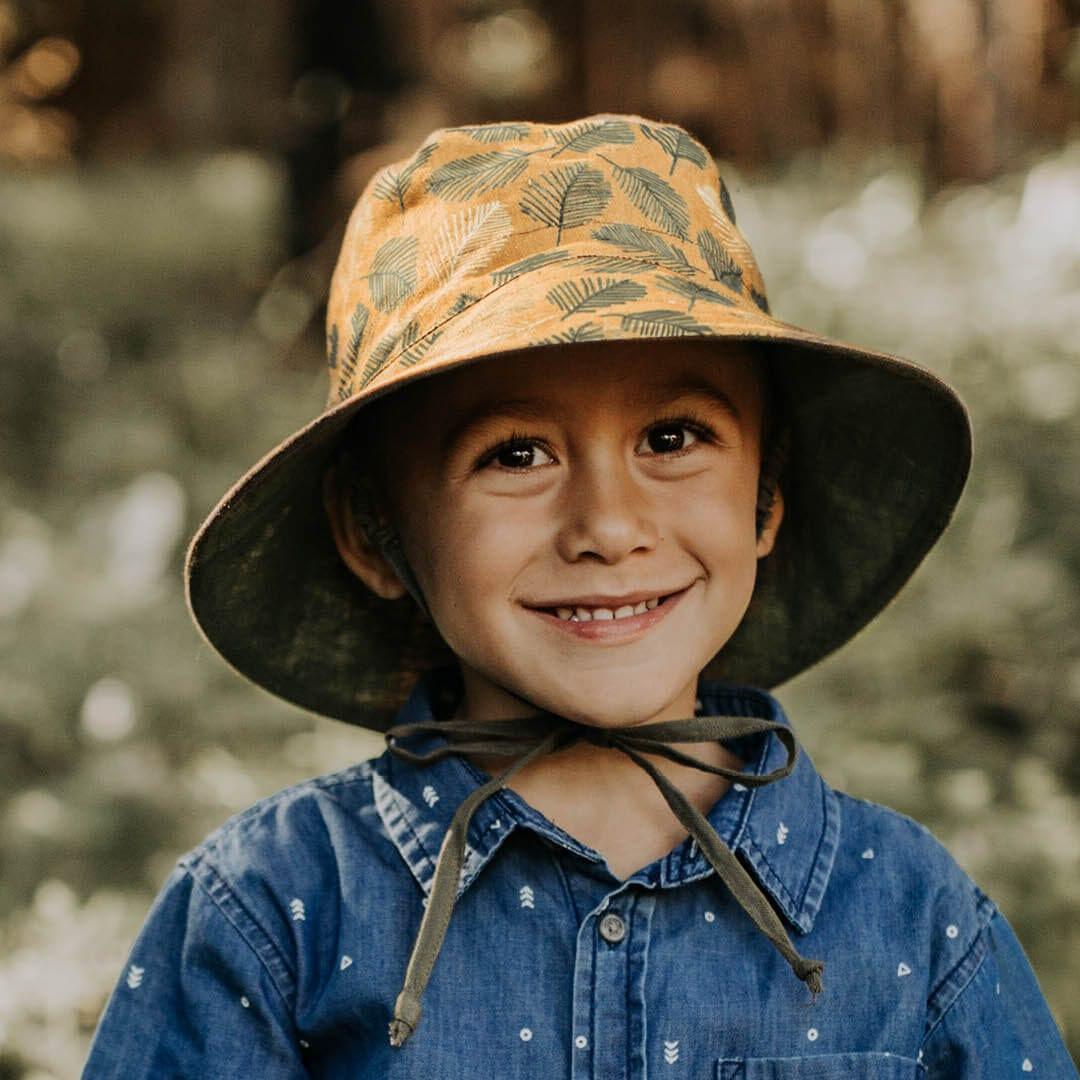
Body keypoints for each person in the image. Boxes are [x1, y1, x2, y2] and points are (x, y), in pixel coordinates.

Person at [82, 114, 1077, 1077]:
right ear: (371, 532)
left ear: (768, 496)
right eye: (515, 454)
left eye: (674, 438)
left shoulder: (911, 917)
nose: (607, 525)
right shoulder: (275, 914)